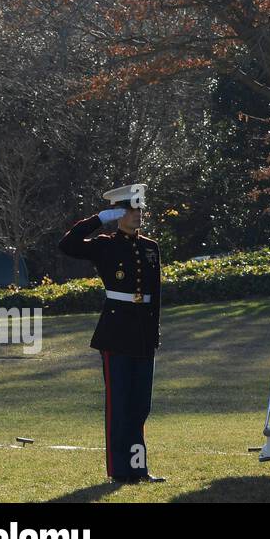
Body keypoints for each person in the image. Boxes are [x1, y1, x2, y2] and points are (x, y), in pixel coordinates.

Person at [58, 183, 166, 485]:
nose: (137, 214)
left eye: (140, 209)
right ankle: (121, 471)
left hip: (143, 335)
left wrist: (154, 334)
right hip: (117, 334)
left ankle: (139, 468)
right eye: (131, 209)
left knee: (140, 405)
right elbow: (67, 245)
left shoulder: (150, 247)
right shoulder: (104, 244)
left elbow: (155, 295)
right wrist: (97, 219)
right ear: (119, 212)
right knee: (119, 404)